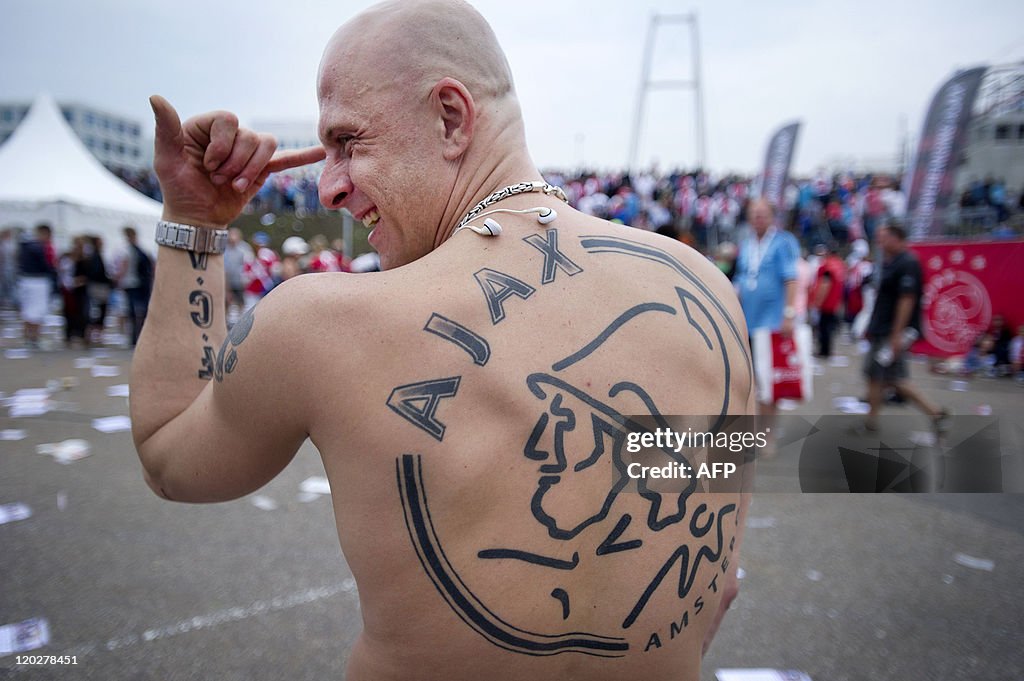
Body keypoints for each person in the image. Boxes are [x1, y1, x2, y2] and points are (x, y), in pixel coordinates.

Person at [131, 2, 753, 679]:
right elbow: (713, 587)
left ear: (450, 118)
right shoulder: (705, 293)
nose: (329, 186)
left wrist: (192, 220)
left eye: (347, 142)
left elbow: (169, 454)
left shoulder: (319, 324)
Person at [863, 221, 947, 431]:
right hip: (883, 329)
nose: (880, 242)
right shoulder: (891, 262)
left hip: (891, 332)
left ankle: (935, 413)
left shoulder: (907, 263)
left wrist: (895, 334)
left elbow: (906, 299)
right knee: (884, 377)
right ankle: (934, 414)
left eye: (884, 237)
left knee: (886, 377)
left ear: (896, 238)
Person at [735, 198, 799, 420]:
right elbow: (742, 278)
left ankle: (768, 434)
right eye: (754, 214)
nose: (757, 218)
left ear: (772, 217)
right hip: (747, 322)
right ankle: (752, 430)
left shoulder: (783, 242)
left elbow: (791, 279)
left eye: (762, 214)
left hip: (771, 323)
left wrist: (789, 314)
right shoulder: (746, 244)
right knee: (748, 380)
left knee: (769, 381)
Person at [17, 223, 57, 348]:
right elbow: (47, 266)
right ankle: (34, 338)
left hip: (26, 280)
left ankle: (28, 337)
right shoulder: (39, 247)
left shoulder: (25, 246)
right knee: (37, 311)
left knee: (28, 310)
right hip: (38, 281)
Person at [116, 226, 154, 346]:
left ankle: (135, 337)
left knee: (133, 312)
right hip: (139, 284)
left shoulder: (128, 250)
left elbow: (124, 267)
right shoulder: (140, 250)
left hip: (132, 284)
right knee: (139, 311)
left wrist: (118, 279)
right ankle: (137, 336)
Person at [809, 242, 845, 358]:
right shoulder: (840, 265)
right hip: (834, 302)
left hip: (826, 302)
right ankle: (827, 350)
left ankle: (824, 351)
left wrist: (818, 300)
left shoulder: (827, 265)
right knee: (828, 327)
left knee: (823, 328)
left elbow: (825, 284)